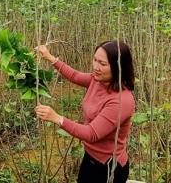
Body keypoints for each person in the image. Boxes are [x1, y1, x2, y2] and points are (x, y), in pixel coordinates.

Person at [35, 41, 135, 183]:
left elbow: (91, 134)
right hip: (90, 157)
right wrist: (50, 58)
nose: (96, 67)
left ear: (119, 67)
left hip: (108, 167)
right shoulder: (98, 80)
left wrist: (57, 118)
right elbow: (74, 75)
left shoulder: (121, 101)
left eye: (102, 63)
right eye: (95, 60)